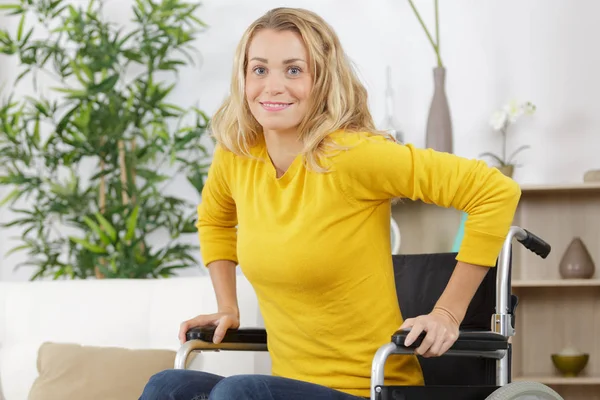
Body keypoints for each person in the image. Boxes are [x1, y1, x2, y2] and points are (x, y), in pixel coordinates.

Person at [139, 6, 521, 400]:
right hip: (287, 387)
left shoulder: (353, 155)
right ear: (242, 78)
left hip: (372, 388)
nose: (272, 86)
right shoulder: (237, 155)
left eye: (293, 70)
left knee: (239, 393)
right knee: (168, 385)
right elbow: (215, 221)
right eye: (259, 69)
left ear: (322, 79)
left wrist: (447, 314)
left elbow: (494, 191)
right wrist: (227, 307)